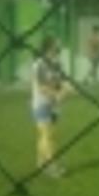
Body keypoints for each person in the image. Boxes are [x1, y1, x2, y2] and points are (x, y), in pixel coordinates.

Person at [31, 36, 70, 178]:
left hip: (54, 106)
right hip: (41, 104)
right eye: (55, 45)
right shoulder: (39, 65)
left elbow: (63, 82)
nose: (58, 47)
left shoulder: (57, 64)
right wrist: (57, 95)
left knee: (49, 135)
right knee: (46, 135)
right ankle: (51, 166)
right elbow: (41, 87)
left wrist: (65, 91)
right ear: (48, 48)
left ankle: (40, 163)